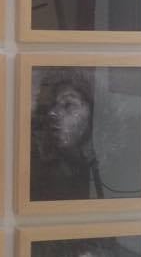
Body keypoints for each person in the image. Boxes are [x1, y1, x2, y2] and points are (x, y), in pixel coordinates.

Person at [30, 69, 101, 202]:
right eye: (52, 106)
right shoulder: (42, 170)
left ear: (93, 112)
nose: (52, 113)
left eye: (68, 105)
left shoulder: (108, 168)